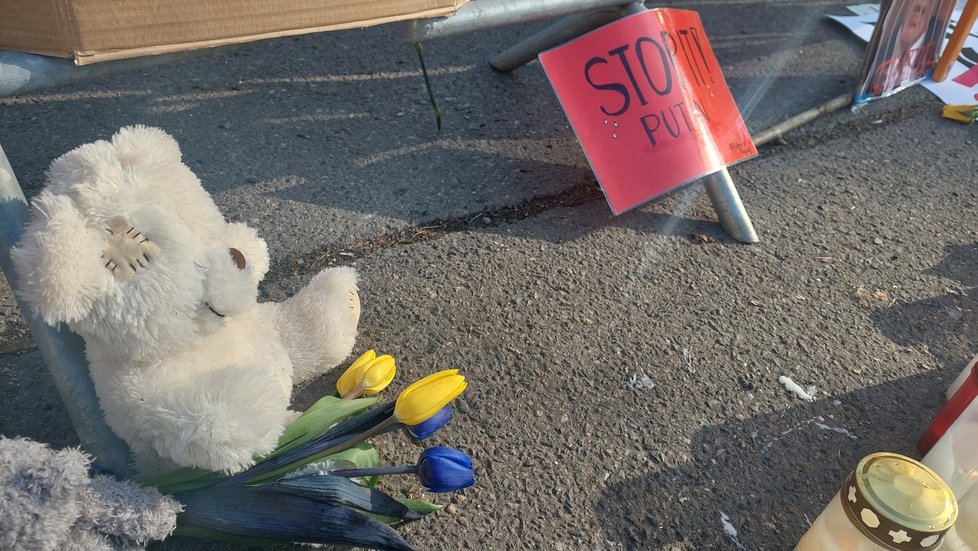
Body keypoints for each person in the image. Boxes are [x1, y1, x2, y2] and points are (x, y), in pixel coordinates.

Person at [865, 0, 953, 96]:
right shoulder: (883, 46)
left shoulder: (932, 45)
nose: (917, 15)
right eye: (916, 9)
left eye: (922, 11)